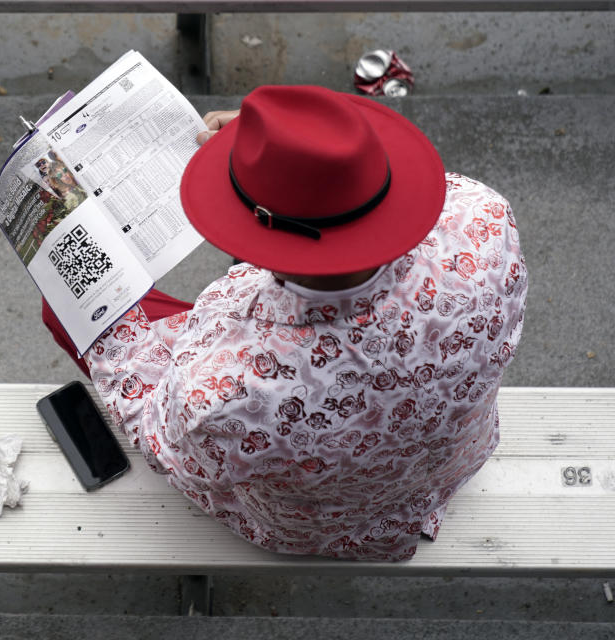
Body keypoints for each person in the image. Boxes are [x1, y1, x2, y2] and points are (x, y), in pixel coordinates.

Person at [42, 85, 527, 561]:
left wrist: (88, 292)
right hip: (445, 462)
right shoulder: (483, 220)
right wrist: (290, 157)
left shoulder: (228, 389)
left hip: (315, 527)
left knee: (66, 307)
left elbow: (166, 442)